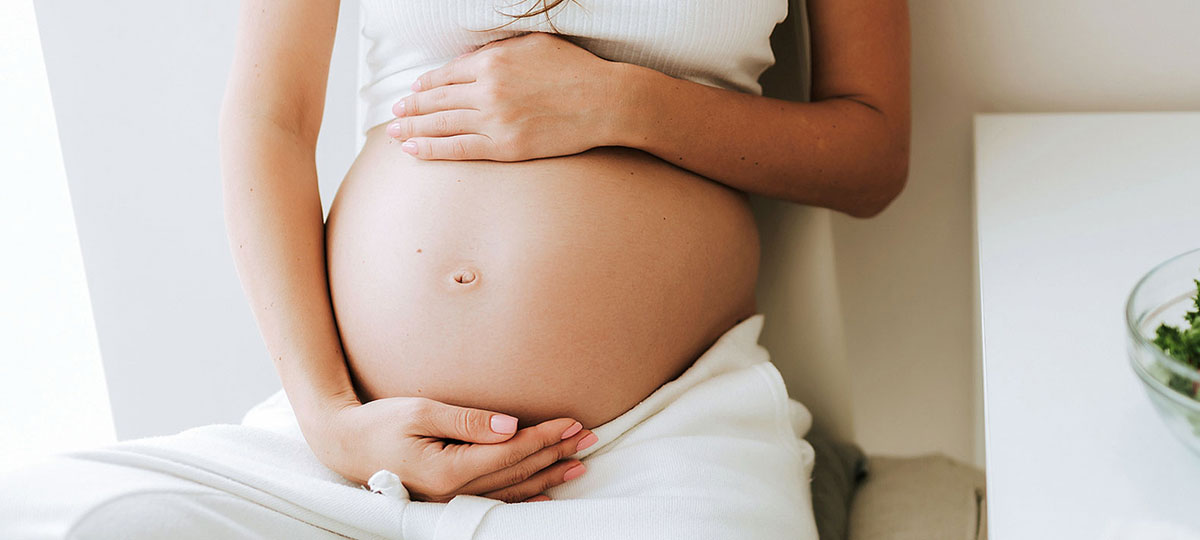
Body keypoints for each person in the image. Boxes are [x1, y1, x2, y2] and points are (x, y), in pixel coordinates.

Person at [0, 0, 908, 537]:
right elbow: (268, 119)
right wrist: (332, 424)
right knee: (67, 517)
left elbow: (870, 156)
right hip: (353, 448)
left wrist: (626, 103)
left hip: (647, 442)